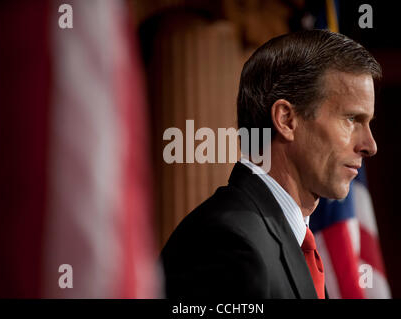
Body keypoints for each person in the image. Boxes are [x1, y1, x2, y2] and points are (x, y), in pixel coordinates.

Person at [160, 29, 381, 299]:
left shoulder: (288, 239)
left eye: (367, 123)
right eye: (351, 119)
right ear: (287, 120)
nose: (370, 145)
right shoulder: (226, 241)